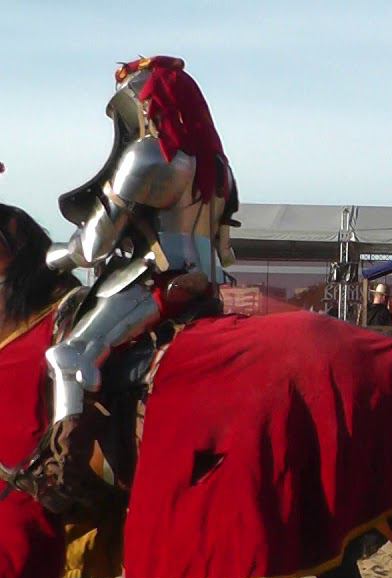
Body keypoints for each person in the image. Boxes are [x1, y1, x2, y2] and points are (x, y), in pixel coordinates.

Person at [27, 56, 237, 514]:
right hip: (207, 287)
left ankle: (64, 471)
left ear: (147, 106)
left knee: (69, 355)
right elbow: (225, 247)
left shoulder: (148, 157)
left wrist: (55, 256)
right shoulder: (219, 167)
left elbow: (94, 246)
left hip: (156, 283)